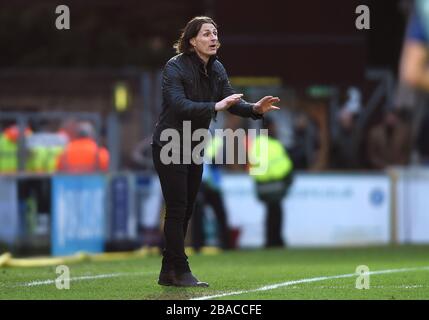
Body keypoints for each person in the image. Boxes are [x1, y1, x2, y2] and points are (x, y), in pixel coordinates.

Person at [151, 16, 280, 287]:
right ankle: (182, 270)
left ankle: (167, 271)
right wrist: (215, 106)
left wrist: (254, 109)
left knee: (186, 210)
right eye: (207, 34)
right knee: (176, 210)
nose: (213, 38)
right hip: (170, 142)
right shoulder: (174, 67)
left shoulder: (217, 67)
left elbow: (231, 101)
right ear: (191, 40)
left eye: (215, 33)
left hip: (195, 144)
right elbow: (178, 105)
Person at [248, 117, 294, 247]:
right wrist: (287, 178)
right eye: (274, 126)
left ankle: (271, 240)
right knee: (276, 213)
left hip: (262, 185)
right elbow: (282, 166)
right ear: (268, 128)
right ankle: (275, 240)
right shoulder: (273, 144)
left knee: (271, 212)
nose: (276, 129)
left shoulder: (256, 143)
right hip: (273, 184)